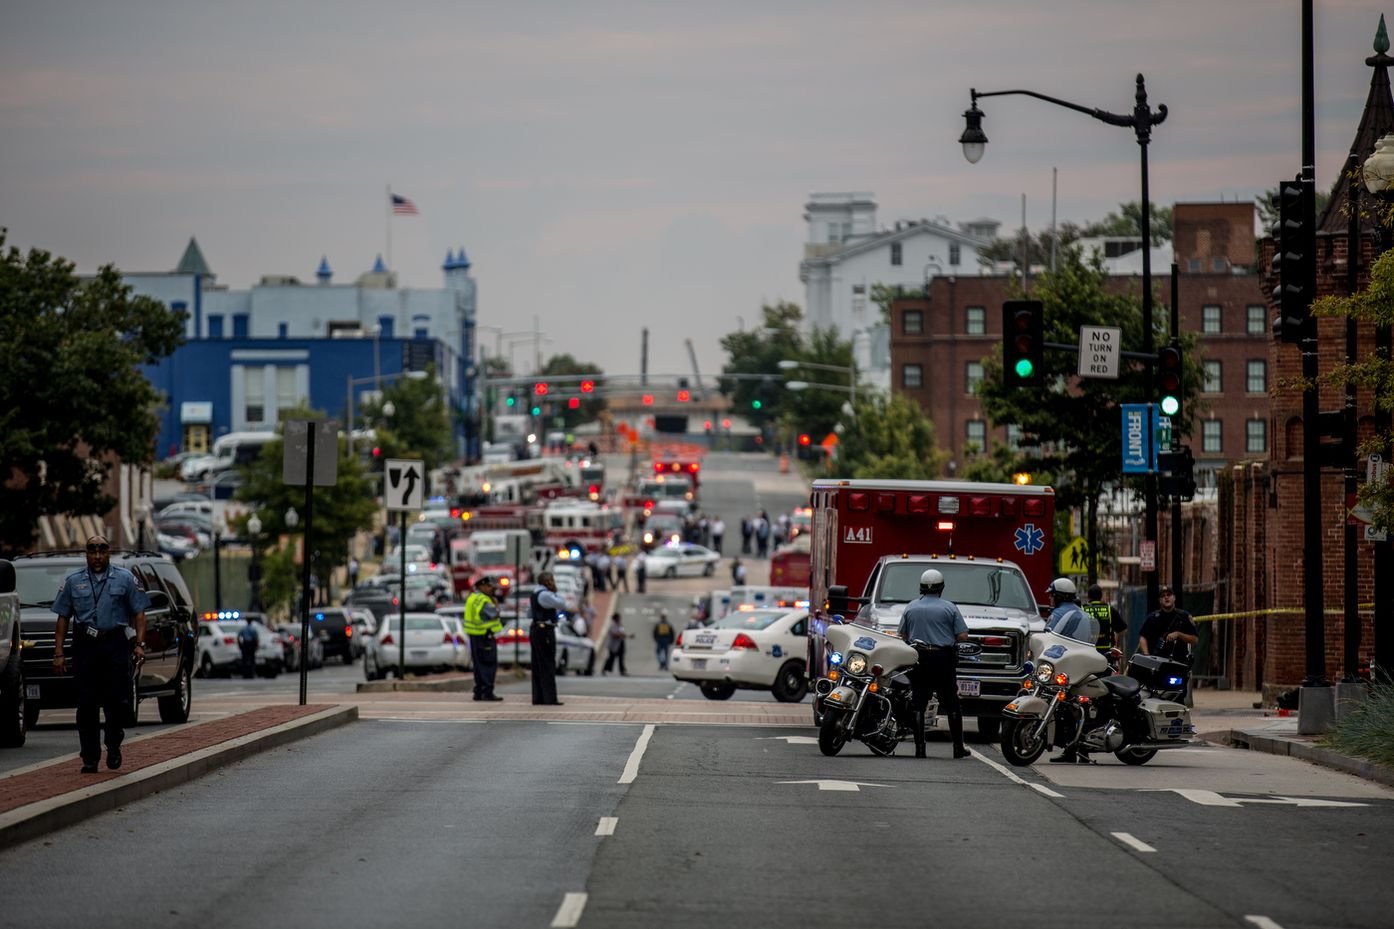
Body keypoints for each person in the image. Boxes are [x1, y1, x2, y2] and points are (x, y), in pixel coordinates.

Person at [51, 535, 150, 773]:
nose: (97, 557)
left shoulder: (125, 579)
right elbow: (63, 617)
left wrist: (139, 644)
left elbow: (139, 614)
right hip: (86, 646)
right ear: (86, 554)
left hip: (114, 644)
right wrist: (58, 652)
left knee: (116, 702)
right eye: (92, 552)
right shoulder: (73, 582)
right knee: (86, 704)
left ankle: (113, 744)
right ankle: (90, 756)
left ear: (108, 553)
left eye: (102, 552)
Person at [897, 568, 969, 759]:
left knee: (918, 703)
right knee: (952, 703)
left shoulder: (911, 607)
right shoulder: (950, 607)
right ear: (941, 588)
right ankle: (957, 748)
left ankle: (920, 749)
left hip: (919, 658)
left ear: (921, 588)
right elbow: (962, 635)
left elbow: (902, 635)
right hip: (943, 658)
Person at [1043, 578, 1101, 764]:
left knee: (1064, 707)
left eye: (1052, 595)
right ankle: (1080, 750)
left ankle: (1069, 749)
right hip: (1079, 667)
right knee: (1080, 706)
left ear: (1059, 596)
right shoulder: (1080, 613)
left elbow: (1047, 638)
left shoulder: (1058, 614)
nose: (1051, 598)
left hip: (1063, 666)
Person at [463, 576, 504, 701]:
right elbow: (494, 614)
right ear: (481, 586)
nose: (492, 589)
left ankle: (479, 692)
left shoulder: (472, 597)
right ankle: (487, 692)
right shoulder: (484, 600)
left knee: (478, 665)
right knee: (488, 665)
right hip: (485, 636)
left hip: (475, 636)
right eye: (490, 587)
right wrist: (496, 605)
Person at [529, 572, 567, 705]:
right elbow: (562, 604)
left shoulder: (535, 593)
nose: (553, 582)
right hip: (545, 630)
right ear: (547, 581)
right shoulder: (545, 594)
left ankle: (539, 697)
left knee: (538, 664)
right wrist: (555, 591)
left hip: (537, 628)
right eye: (551, 580)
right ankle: (549, 698)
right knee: (547, 664)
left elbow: (529, 612)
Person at [1139, 584, 1198, 668]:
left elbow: (1195, 640)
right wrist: (1147, 656)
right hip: (1156, 664)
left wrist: (1178, 634)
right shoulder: (1153, 618)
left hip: (1179, 663)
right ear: (1159, 600)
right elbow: (1143, 637)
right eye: (1163, 596)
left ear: (1174, 598)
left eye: (1169, 595)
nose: (1166, 597)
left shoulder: (1184, 616)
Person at [1082, 583, 1128, 661]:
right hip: (1106, 653)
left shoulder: (1082, 609)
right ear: (1101, 596)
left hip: (1087, 652)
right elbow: (1123, 629)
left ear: (1088, 596)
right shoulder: (1110, 610)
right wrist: (1115, 640)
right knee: (1106, 673)